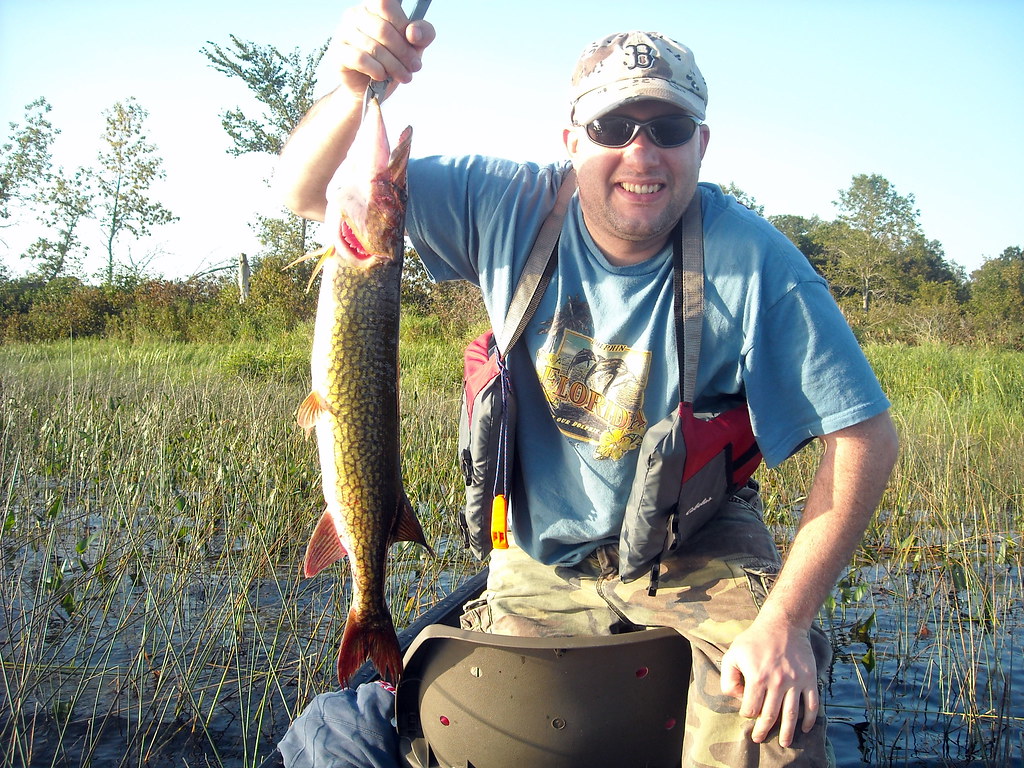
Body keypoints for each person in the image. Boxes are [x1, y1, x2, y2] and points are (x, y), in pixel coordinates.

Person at [276, 2, 899, 766]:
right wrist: (349, 90)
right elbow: (306, 193)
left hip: (696, 554)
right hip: (540, 558)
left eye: (667, 128)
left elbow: (866, 433)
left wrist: (789, 622)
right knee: (470, 718)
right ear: (571, 139)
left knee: (776, 719)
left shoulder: (757, 262)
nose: (642, 153)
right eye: (612, 128)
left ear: (700, 143)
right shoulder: (504, 204)